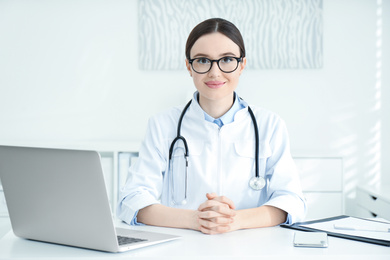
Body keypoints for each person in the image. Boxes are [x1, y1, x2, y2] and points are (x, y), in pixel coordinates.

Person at [117, 18, 306, 235]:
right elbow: (131, 200)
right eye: (203, 61)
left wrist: (235, 220)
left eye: (226, 59)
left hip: (252, 248)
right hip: (182, 248)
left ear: (241, 65)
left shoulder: (270, 125)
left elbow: (292, 201)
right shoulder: (162, 125)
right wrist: (195, 219)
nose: (215, 73)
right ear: (189, 66)